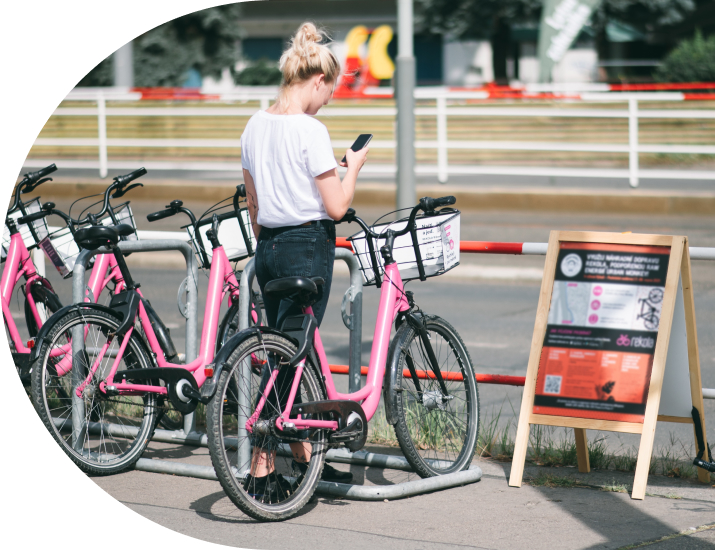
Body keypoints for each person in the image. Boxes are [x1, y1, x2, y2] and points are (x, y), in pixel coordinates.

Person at [240, 22, 369, 498]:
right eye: (329, 91)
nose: (329, 100)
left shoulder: (254, 125)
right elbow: (336, 207)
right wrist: (351, 170)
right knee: (289, 362)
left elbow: (253, 204)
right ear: (317, 81)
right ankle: (261, 469)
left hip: (268, 246)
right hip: (307, 246)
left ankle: (305, 459)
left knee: (284, 351)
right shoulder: (311, 130)